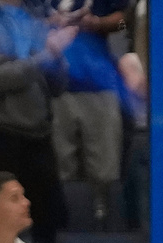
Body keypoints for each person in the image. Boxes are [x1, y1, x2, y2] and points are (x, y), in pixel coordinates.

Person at [0, 0, 76, 243]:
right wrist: (47, 56)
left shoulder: (34, 17)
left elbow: (55, 85)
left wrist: (57, 58)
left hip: (38, 138)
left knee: (49, 221)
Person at [49, 0, 129, 223]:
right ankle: (65, 221)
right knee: (61, 167)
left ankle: (104, 224)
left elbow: (125, 24)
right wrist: (52, 22)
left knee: (104, 170)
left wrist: (97, 23)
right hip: (56, 85)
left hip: (98, 86)